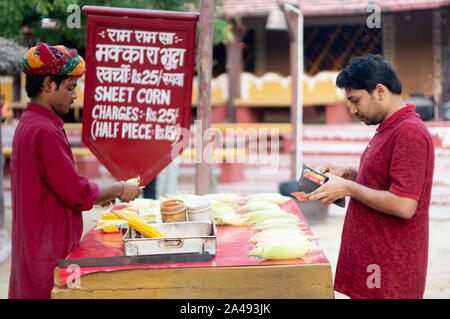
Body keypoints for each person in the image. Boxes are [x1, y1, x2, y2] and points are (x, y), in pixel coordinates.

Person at [8, 43, 142, 299]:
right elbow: (75, 193)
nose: (75, 95)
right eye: (70, 87)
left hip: (34, 249)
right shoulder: (45, 130)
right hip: (48, 256)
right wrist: (120, 188)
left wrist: (108, 195)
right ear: (48, 84)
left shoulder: (30, 123)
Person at [306, 54, 434, 299]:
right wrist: (350, 175)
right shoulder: (390, 127)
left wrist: (348, 188)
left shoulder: (409, 132)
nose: (352, 109)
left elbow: (404, 204)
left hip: (390, 274)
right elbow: (383, 182)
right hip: (375, 265)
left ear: (380, 91)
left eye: (356, 100)